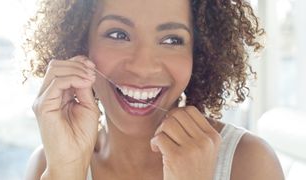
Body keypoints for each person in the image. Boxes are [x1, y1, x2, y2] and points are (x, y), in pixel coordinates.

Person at [23, 0, 284, 179]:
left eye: (172, 40)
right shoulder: (50, 164)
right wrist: (66, 172)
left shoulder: (249, 163)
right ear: (81, 43)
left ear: (201, 52)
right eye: (118, 34)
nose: (142, 67)